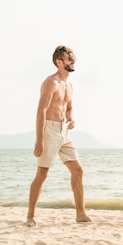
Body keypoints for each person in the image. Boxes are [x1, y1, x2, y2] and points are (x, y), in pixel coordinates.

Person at [25, 45, 92, 227]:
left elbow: (69, 107)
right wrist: (39, 139)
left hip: (64, 131)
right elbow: (41, 111)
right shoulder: (50, 83)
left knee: (78, 170)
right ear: (59, 62)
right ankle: (30, 215)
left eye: (73, 58)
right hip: (49, 130)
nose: (72, 61)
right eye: (69, 58)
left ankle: (80, 214)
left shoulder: (69, 85)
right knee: (42, 173)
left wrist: (71, 118)